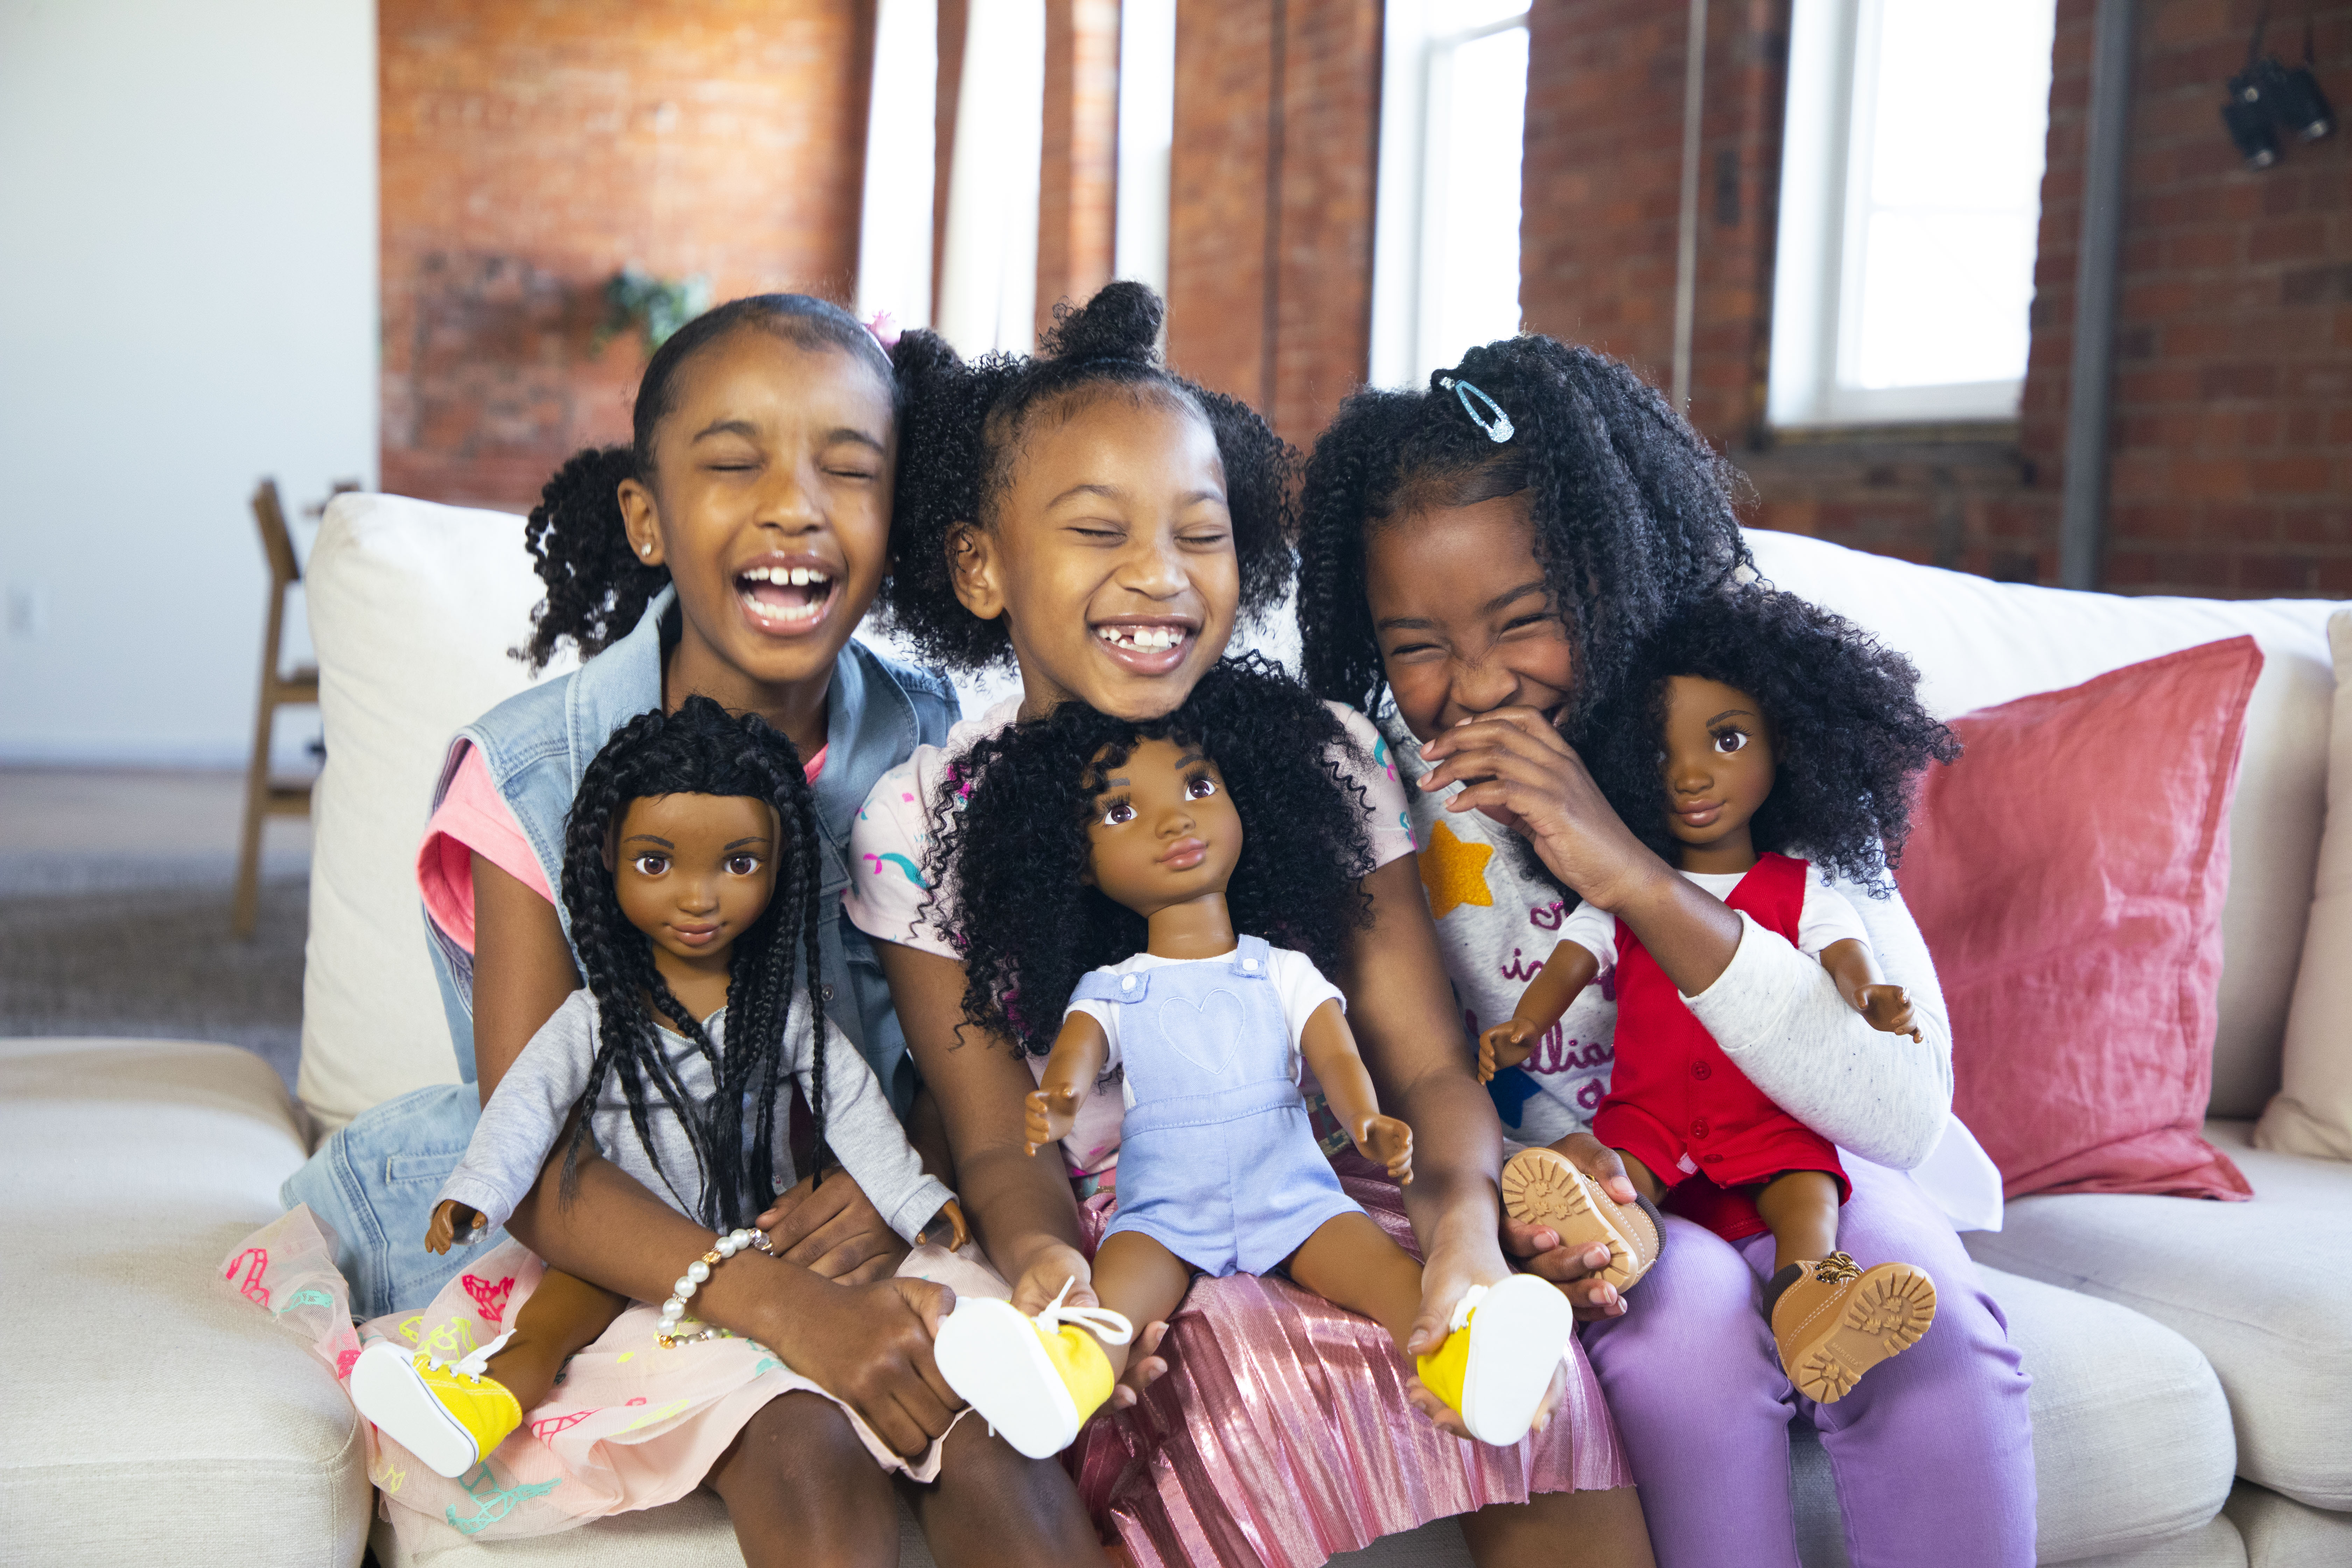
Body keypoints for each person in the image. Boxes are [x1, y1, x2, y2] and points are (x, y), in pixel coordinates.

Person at [277, 294, 1105, 1566]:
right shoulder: (534, 773)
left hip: (874, 1208)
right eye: (735, 462)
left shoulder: (947, 751)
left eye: (850, 467)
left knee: (1000, 1443)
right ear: (649, 517)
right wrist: (779, 1305)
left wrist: (900, 1198)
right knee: (805, 1444)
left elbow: (977, 1063)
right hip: (622, 1228)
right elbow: (537, 1138)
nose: (796, 503)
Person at [852, 282, 1651, 1568]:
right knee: (1244, 1383)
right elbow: (1002, 1140)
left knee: (1540, 1396)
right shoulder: (918, 822)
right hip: (1128, 1242)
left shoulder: (1324, 761)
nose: (1159, 576)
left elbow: (1429, 1065)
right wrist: (1050, 1264)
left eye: (1199, 532)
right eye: (1097, 530)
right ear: (982, 567)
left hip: (1332, 1196)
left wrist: (1464, 1235)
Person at [1294, 335, 2037, 1567]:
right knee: (1680, 1346)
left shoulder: (1739, 740)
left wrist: (1633, 874)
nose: (1475, 687)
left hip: (1804, 1161)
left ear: (1617, 579)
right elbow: (1394, 1081)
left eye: (1525, 622)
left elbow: (1901, 1111)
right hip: (1610, 1198)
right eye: (1415, 644)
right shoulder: (1372, 796)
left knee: (1930, 1333)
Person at [923, 660, 1576, 1456]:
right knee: (1117, 1293)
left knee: (1383, 1271)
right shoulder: (1114, 984)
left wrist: (1365, 1115)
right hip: (1162, 1202)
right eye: (1123, 810)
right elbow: (1078, 1051)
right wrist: (1058, 1097)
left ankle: (1467, 1359)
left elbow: (1334, 1050)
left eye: (1199, 788)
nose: (1174, 822)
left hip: (1290, 1185)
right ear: (1078, 865)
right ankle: (1063, 1377)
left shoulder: (1280, 969)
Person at [1482, 588, 1960, 1402]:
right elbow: (1571, 961)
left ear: (1790, 746)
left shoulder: (1801, 885)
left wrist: (1874, 996)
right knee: (1620, 1182)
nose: (1693, 774)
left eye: (1728, 740)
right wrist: (1523, 1025)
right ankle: (1603, 1240)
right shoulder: (1626, 887)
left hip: (1768, 1116)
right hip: (1650, 1114)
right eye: (1660, 755)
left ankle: (1814, 1302)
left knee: (1808, 1195)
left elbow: (1845, 955)